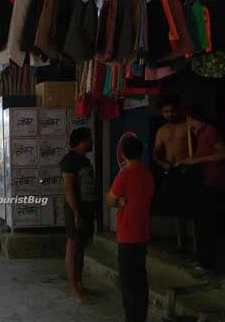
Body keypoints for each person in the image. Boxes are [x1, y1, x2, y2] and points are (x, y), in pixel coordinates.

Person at [177, 106, 225, 275]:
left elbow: (223, 154)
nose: (187, 123)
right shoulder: (198, 134)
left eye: (188, 119)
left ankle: (209, 263)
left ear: (193, 118)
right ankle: (202, 258)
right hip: (204, 184)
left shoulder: (210, 131)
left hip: (214, 184)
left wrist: (199, 160)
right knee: (201, 224)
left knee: (209, 226)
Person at [107, 136, 155, 322]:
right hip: (143, 231)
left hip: (127, 234)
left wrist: (118, 200)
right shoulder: (147, 174)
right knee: (140, 279)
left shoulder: (124, 175)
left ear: (123, 154)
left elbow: (110, 199)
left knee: (128, 283)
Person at [152, 98, 194, 256]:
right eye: (166, 112)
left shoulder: (187, 126)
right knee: (177, 210)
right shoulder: (161, 131)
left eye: (172, 111)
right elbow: (156, 152)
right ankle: (180, 244)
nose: (170, 114)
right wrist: (163, 164)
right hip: (171, 170)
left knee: (191, 210)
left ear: (178, 110)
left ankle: (196, 247)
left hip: (188, 169)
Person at [60, 127, 96, 302]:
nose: (91, 142)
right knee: (73, 246)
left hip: (86, 208)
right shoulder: (69, 161)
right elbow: (69, 190)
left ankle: (80, 284)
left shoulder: (84, 160)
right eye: (89, 139)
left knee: (81, 248)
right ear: (82, 141)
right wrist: (76, 212)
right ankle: (73, 288)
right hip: (76, 209)